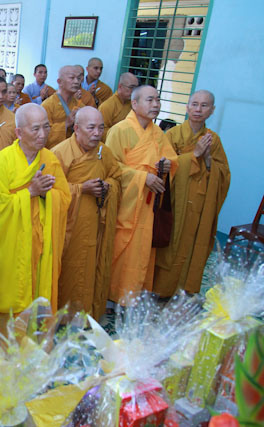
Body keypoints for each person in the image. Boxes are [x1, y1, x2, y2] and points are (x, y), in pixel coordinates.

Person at [0, 103, 70, 325]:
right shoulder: (2, 161)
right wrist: (30, 192)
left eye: (46, 127)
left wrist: (47, 195)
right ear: (19, 132)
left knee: (38, 297)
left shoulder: (50, 160)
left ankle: (36, 343)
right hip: (11, 245)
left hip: (40, 243)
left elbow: (64, 197)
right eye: (35, 129)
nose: (42, 134)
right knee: (12, 303)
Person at [105, 85, 178, 305]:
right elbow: (111, 167)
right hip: (126, 202)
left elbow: (170, 159)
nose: (156, 104)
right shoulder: (119, 130)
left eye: (158, 100)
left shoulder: (157, 133)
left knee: (142, 248)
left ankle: (133, 293)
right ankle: (112, 294)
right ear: (134, 104)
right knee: (121, 245)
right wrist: (141, 177)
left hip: (148, 203)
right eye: (150, 100)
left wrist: (166, 166)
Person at [153, 90, 230, 296]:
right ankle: (159, 288)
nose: (198, 109)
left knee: (192, 244)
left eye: (204, 106)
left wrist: (207, 159)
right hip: (175, 200)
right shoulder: (173, 135)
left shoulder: (214, 140)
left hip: (199, 203)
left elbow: (223, 175)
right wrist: (194, 155)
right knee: (170, 243)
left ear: (212, 110)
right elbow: (162, 167)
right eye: (194, 104)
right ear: (187, 107)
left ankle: (183, 289)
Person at [51, 107, 121, 318]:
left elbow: (116, 177)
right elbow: (51, 191)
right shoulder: (60, 153)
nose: (97, 133)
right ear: (76, 128)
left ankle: (86, 312)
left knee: (91, 267)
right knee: (68, 270)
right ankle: (62, 315)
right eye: (91, 128)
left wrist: (108, 186)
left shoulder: (104, 152)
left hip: (95, 225)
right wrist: (82, 189)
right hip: (68, 228)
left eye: (101, 128)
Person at [42, 65, 85, 149]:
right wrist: (66, 124)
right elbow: (42, 134)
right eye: (72, 78)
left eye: (78, 78)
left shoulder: (80, 106)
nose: (76, 81)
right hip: (54, 152)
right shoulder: (47, 105)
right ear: (59, 82)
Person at [99, 72, 139, 141]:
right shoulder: (107, 106)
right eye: (131, 87)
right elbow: (101, 130)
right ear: (120, 87)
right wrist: (120, 137)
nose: (134, 91)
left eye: (136, 88)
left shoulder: (134, 105)